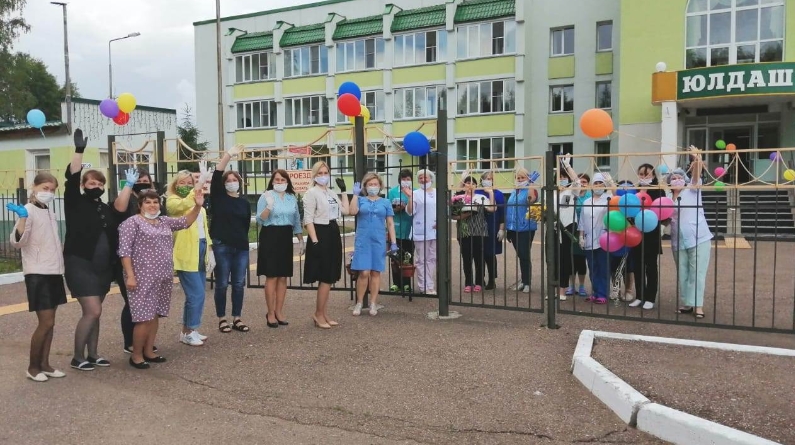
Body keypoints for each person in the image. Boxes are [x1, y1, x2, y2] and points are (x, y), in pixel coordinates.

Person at [118, 190, 204, 369]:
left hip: (163, 276)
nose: (152, 205)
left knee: (154, 314)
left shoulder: (164, 221)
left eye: (155, 202)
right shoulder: (131, 223)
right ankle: (136, 355)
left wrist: (197, 206)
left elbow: (186, 221)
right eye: (148, 202)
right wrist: (130, 276)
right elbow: (124, 252)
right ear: (140, 205)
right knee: (143, 317)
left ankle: (149, 351)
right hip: (141, 277)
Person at [63, 129, 119, 371]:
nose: (96, 186)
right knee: (92, 311)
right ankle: (77, 357)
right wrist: (79, 150)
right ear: (84, 185)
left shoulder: (105, 208)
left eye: (99, 183)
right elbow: (72, 177)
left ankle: (93, 354)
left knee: (97, 312)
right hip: (80, 264)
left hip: (103, 269)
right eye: (91, 182)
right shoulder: (75, 202)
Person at [7, 173, 67, 382]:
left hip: (53, 272)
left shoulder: (48, 210)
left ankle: (45, 364)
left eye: (52, 189)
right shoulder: (29, 210)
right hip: (38, 273)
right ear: (34, 187)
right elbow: (17, 242)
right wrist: (23, 218)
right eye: (45, 188)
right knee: (45, 322)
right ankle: (33, 367)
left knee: (51, 323)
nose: (48, 193)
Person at [112, 166, 163, 354]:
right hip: (128, 261)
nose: (142, 184)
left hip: (150, 263)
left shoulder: (153, 203)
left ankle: (145, 343)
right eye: (138, 181)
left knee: (150, 306)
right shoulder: (128, 200)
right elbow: (119, 207)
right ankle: (131, 343)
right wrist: (128, 185)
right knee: (132, 303)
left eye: (145, 181)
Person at [167, 167, 213, 345]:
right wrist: (199, 184)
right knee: (196, 294)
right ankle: (190, 330)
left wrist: (210, 249)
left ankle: (188, 330)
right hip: (186, 252)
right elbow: (185, 204)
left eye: (189, 183)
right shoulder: (173, 201)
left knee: (197, 295)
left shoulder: (197, 201)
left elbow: (204, 228)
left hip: (200, 249)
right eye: (182, 182)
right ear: (175, 185)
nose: (186, 185)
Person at [303, 161, 351, 328]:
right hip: (320, 232)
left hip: (332, 231)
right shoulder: (311, 193)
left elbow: (345, 211)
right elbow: (308, 219)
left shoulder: (330, 192)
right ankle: (318, 314)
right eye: (320, 173)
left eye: (326, 173)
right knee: (324, 276)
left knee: (330, 276)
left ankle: (323, 313)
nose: (324, 176)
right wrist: (315, 241)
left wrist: (343, 191)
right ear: (315, 175)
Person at [210, 145, 252, 333]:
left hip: (240, 247)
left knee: (238, 283)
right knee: (221, 283)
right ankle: (222, 318)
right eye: (228, 180)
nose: (232, 182)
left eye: (235, 180)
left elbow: (246, 225)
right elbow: (217, 175)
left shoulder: (244, 203)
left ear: (239, 183)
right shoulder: (219, 197)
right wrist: (228, 155)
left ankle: (237, 317)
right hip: (222, 246)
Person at [256, 169, 304, 327]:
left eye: (283, 180)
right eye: (277, 180)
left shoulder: (291, 197)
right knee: (272, 276)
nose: (280, 182)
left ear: (287, 182)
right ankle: (270, 313)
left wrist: (300, 239)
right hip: (270, 235)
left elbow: (296, 219)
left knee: (283, 276)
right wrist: (269, 207)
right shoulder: (266, 196)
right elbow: (260, 220)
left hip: (285, 236)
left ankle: (279, 311)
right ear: (272, 181)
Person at [668, 148, 712, 319]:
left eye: (679, 177)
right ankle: (687, 303)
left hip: (698, 237)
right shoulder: (667, 199)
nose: (677, 180)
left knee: (697, 272)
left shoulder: (692, 190)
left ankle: (698, 306)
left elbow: (695, 176)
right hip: (678, 241)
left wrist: (697, 159)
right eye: (673, 178)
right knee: (683, 272)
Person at [349, 172, 398, 316]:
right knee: (364, 272)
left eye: (375, 184)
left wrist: (393, 242)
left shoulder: (385, 202)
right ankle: (359, 303)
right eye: (370, 184)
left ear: (380, 186)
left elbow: (390, 223)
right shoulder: (361, 200)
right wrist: (355, 195)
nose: (373, 186)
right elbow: (352, 212)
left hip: (378, 241)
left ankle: (373, 303)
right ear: (365, 186)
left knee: (376, 272)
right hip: (363, 240)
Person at [627, 163, 664, 310]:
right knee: (638, 267)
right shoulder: (635, 191)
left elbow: (661, 212)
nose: (644, 177)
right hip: (636, 234)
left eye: (647, 174)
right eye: (641, 174)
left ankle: (650, 298)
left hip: (652, 234)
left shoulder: (658, 191)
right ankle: (640, 296)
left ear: (653, 176)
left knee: (651, 267)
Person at [453, 176, 492, 292]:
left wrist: (491, 193)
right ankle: (468, 283)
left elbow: (492, 209)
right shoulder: (459, 198)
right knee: (466, 258)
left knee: (479, 258)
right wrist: (464, 215)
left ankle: (479, 282)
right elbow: (453, 215)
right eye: (467, 183)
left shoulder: (481, 197)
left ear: (476, 185)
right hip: (464, 232)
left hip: (479, 231)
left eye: (472, 183)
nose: (470, 185)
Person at [579, 173, 613, 304]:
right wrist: (581, 236)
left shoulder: (608, 199)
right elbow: (582, 220)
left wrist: (611, 183)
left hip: (603, 238)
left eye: (600, 183)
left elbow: (618, 199)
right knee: (592, 268)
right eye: (596, 183)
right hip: (589, 239)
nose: (598, 186)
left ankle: (603, 293)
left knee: (603, 267)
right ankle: (595, 291)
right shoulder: (587, 201)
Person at [505, 168, 539, 293]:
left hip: (525, 228)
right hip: (513, 228)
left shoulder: (530, 190)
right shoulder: (515, 191)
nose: (519, 180)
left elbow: (531, 200)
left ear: (528, 178)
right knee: (521, 255)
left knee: (524, 255)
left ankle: (527, 283)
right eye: (518, 178)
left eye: (522, 177)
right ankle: (524, 281)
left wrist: (530, 184)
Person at [406, 169, 437, 295]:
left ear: (431, 179)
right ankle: (424, 286)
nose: (423, 180)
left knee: (432, 258)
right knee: (422, 260)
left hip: (435, 231)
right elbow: (410, 212)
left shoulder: (437, 192)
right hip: (420, 230)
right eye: (420, 178)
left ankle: (430, 285)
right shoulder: (415, 193)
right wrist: (410, 198)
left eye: (425, 177)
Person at [476, 171, 505, 290]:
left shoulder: (498, 194)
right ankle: (479, 280)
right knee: (478, 254)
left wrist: (501, 229)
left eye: (490, 179)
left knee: (490, 254)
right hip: (478, 227)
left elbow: (502, 213)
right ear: (481, 180)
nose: (488, 181)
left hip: (493, 226)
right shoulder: (477, 192)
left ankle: (492, 280)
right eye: (486, 178)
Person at [556, 157, 579, 301]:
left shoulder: (571, 191)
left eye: (564, 177)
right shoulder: (552, 192)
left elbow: (577, 181)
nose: (561, 180)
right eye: (559, 177)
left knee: (564, 259)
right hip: (553, 228)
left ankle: (562, 290)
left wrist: (567, 166)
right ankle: (553, 288)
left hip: (568, 227)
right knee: (553, 259)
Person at [387, 169, 414, 292]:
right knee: (395, 257)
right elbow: (387, 208)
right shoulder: (392, 192)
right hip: (395, 229)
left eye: (408, 179)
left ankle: (406, 284)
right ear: (399, 180)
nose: (406, 181)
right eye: (403, 179)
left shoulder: (415, 192)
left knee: (408, 257)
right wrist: (396, 208)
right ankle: (396, 283)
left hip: (409, 229)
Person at [570, 173, 591, 297]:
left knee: (581, 260)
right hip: (572, 229)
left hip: (586, 230)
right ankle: (572, 286)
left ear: (588, 184)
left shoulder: (590, 196)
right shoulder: (573, 194)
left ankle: (582, 286)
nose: (582, 184)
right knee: (572, 259)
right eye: (580, 182)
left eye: (584, 182)